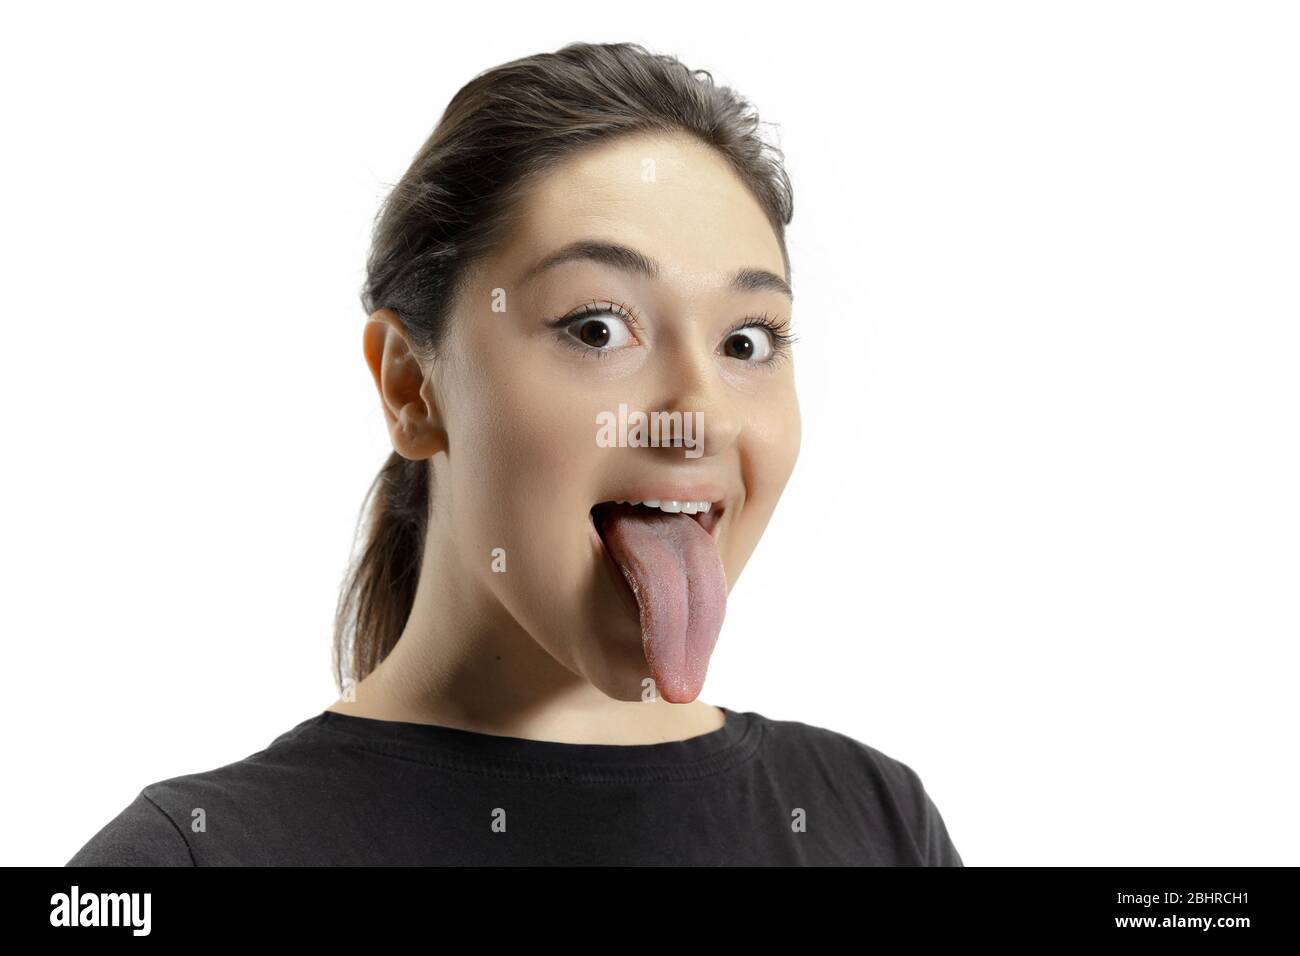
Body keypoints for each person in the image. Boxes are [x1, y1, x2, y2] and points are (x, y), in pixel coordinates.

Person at [66, 40, 963, 866]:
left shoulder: (878, 823)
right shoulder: (190, 861)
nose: (700, 416)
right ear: (412, 388)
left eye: (747, 342)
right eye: (599, 326)